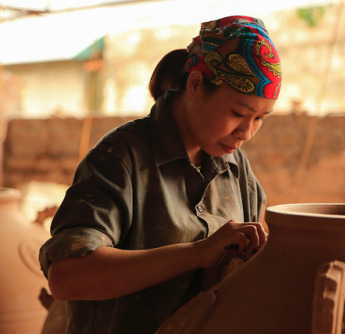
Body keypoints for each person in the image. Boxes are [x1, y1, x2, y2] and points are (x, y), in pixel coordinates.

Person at [38, 15, 282, 334]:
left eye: (261, 118)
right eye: (239, 113)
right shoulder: (121, 158)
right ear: (195, 84)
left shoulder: (237, 170)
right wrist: (197, 254)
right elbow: (67, 277)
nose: (247, 133)